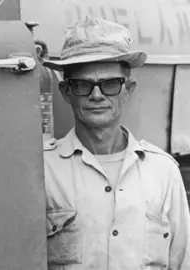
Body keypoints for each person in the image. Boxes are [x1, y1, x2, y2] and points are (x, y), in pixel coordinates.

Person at [41, 16, 190, 269]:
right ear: (66, 92)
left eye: (110, 83)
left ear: (128, 89)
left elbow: (182, 260)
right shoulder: (42, 169)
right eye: (83, 85)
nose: (96, 95)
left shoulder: (163, 172)